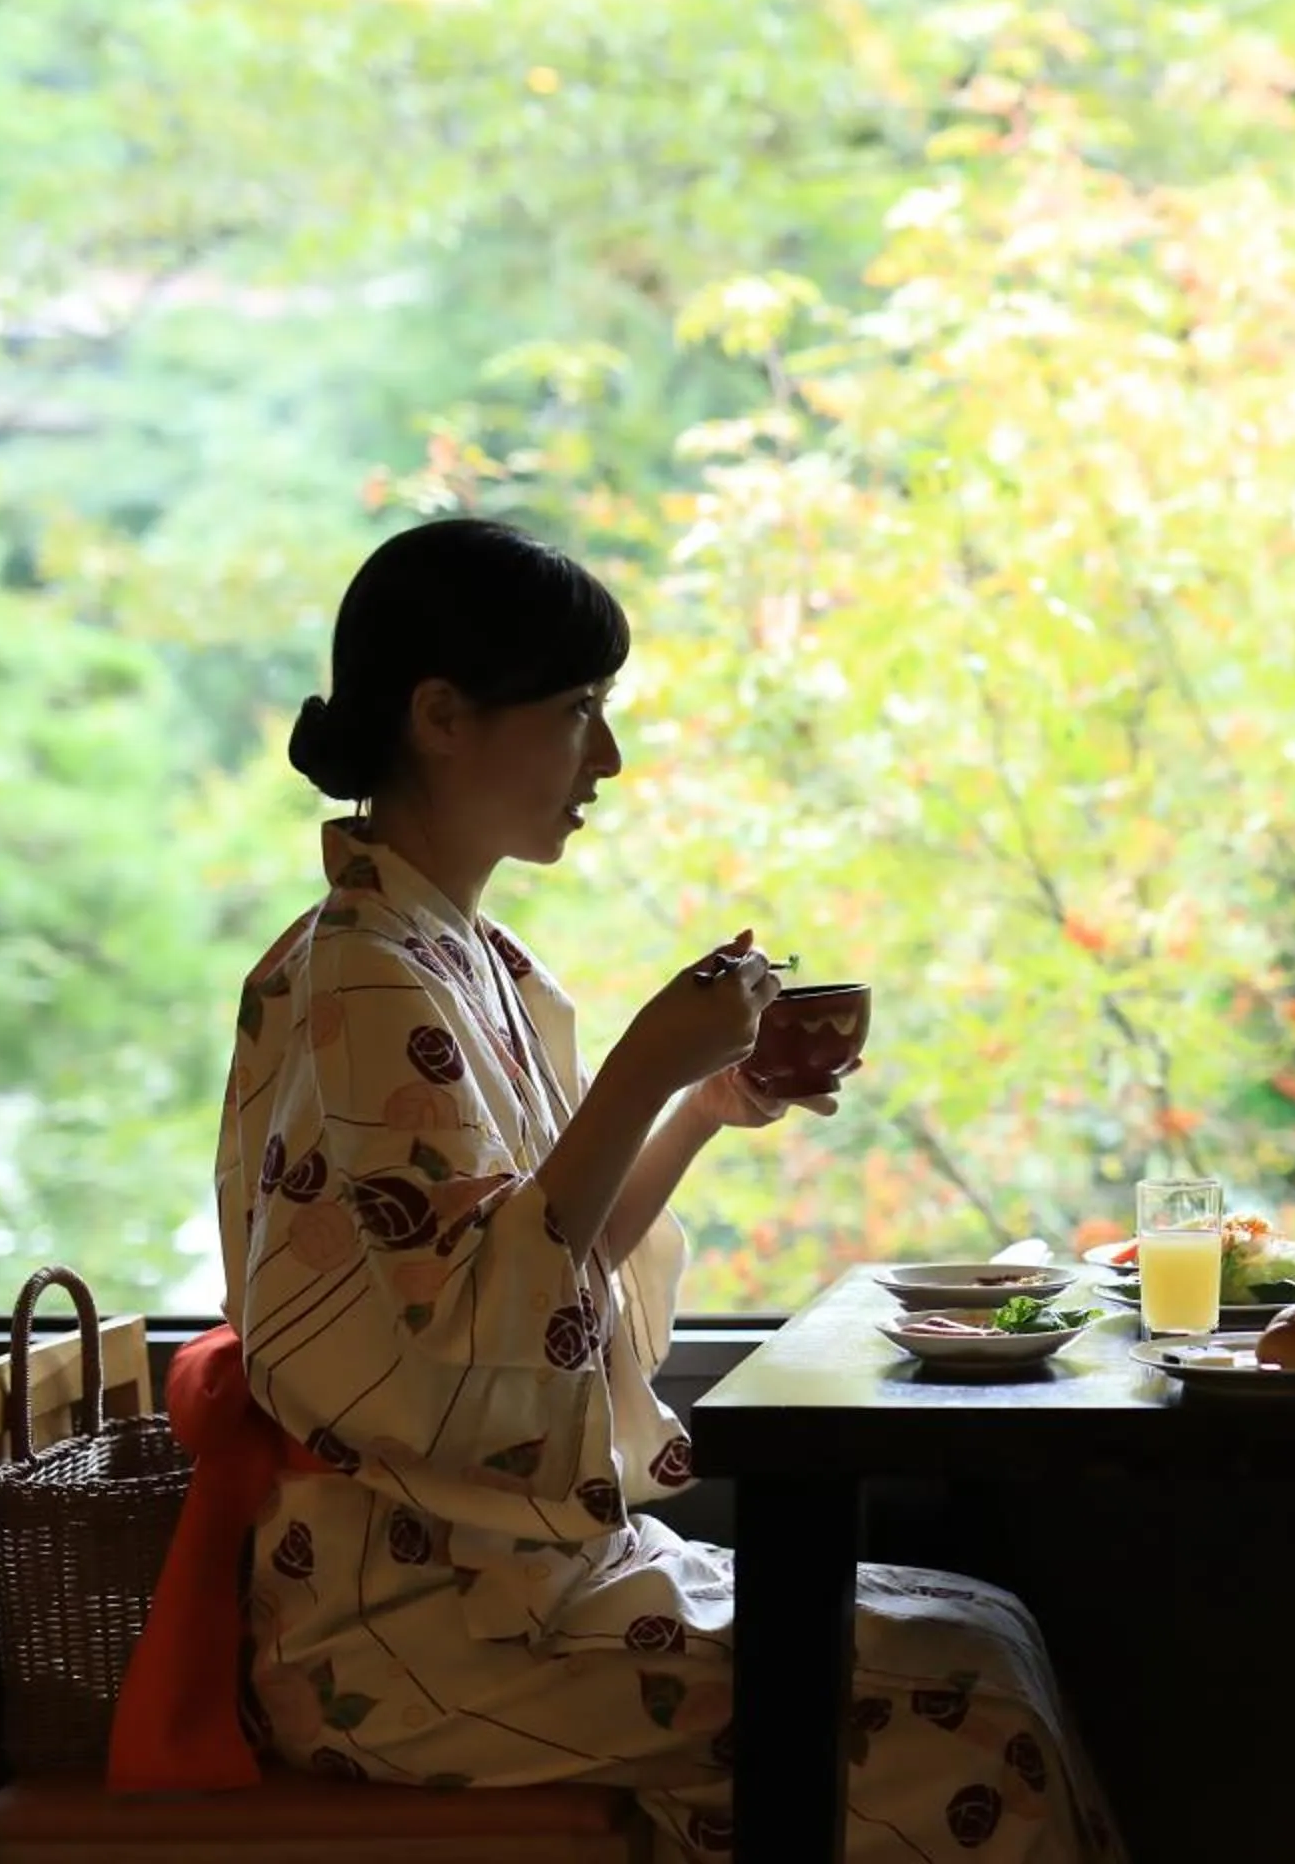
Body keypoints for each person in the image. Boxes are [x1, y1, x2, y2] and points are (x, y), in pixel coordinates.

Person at [124, 518, 1121, 1861]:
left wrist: (699, 1108)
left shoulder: (450, 953)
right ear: (441, 716)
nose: (608, 759)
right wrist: (646, 1067)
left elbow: (537, 1275)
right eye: (580, 712)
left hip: (491, 1579)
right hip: (412, 1625)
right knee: (962, 1703)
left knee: (983, 1634)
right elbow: (476, 1324)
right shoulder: (362, 975)